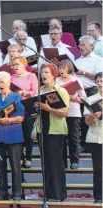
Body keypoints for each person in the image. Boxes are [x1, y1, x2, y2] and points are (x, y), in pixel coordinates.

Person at [0, 71, 24, 201]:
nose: (0, 84)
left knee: (15, 166)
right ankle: (3, 193)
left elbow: (21, 117)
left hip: (13, 135)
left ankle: (17, 193)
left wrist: (7, 120)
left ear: (9, 83)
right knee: (0, 167)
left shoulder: (16, 97)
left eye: (3, 82)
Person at [33, 63, 70, 202]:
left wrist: (48, 109)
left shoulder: (61, 90)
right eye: (42, 73)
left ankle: (59, 194)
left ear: (54, 74)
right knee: (46, 163)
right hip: (43, 129)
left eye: (47, 72)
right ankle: (48, 193)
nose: (44, 75)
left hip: (56, 131)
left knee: (56, 163)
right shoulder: (40, 90)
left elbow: (64, 112)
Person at [74, 35, 103, 152]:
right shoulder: (76, 61)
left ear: (91, 46)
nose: (80, 47)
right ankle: (84, 144)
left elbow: (99, 77)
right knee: (82, 118)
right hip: (79, 91)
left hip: (93, 90)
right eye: (79, 44)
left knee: (95, 116)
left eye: (83, 44)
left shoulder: (98, 59)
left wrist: (83, 73)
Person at [56, 60, 87, 169]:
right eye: (60, 68)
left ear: (69, 68)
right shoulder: (56, 81)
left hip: (73, 112)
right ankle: (62, 161)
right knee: (62, 138)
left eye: (63, 68)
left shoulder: (76, 80)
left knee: (73, 137)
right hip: (60, 112)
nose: (61, 70)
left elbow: (84, 98)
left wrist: (76, 98)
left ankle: (74, 161)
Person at [10, 57, 39, 168]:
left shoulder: (31, 76)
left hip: (27, 107)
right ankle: (20, 157)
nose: (15, 67)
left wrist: (23, 92)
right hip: (15, 109)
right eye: (13, 65)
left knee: (27, 134)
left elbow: (36, 92)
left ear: (24, 64)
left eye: (17, 64)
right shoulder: (11, 78)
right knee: (17, 133)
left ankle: (28, 157)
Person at [83, 72, 102, 204]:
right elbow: (86, 121)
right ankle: (99, 196)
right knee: (98, 168)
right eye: (98, 81)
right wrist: (92, 116)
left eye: (102, 81)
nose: (100, 84)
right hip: (95, 137)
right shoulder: (91, 99)